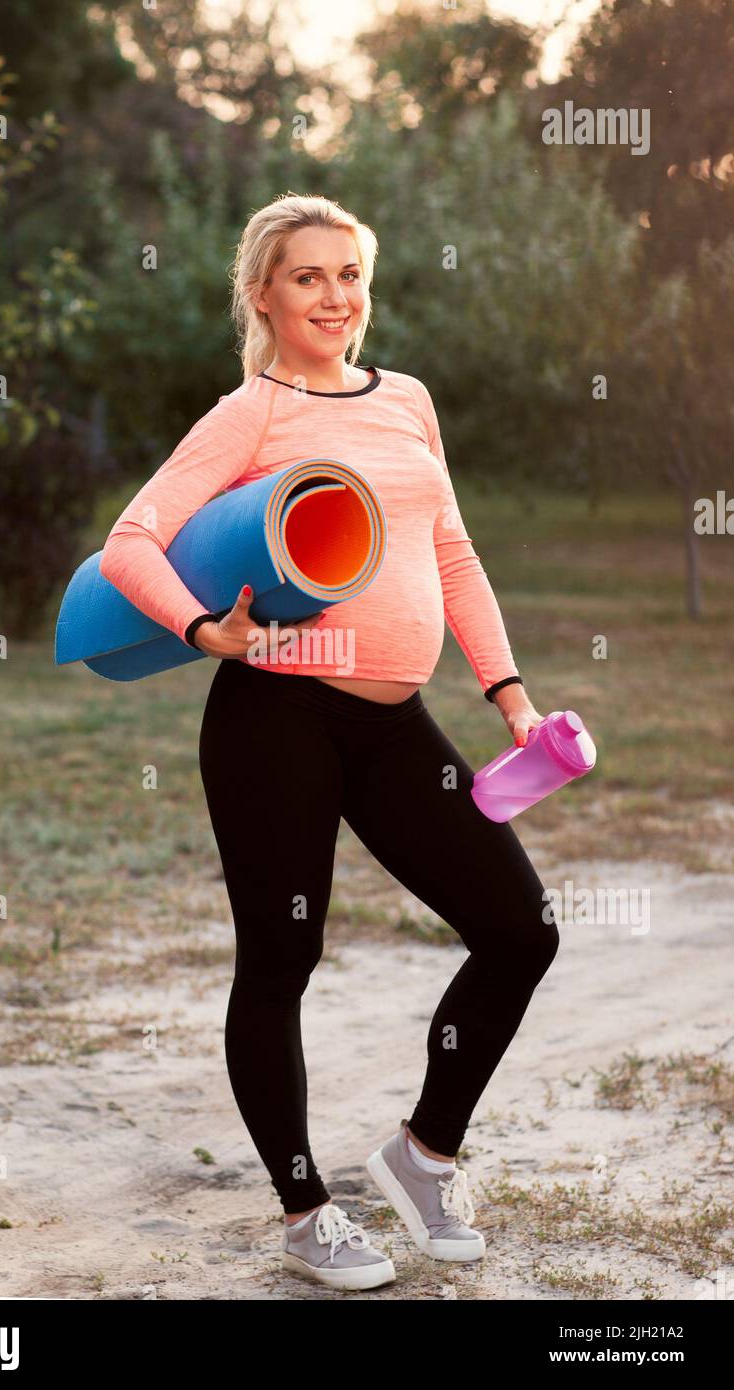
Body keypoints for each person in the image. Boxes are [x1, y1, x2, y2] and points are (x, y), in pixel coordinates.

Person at [99, 193, 560, 1291]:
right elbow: (130, 542)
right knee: (281, 959)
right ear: (262, 294)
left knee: (519, 928)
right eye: (306, 276)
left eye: (348, 274)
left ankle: (422, 1156)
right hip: (277, 718)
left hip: (394, 723)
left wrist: (508, 694)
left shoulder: (406, 399)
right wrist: (203, 628)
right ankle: (306, 1212)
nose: (333, 296)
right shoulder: (248, 414)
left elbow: (450, 551)